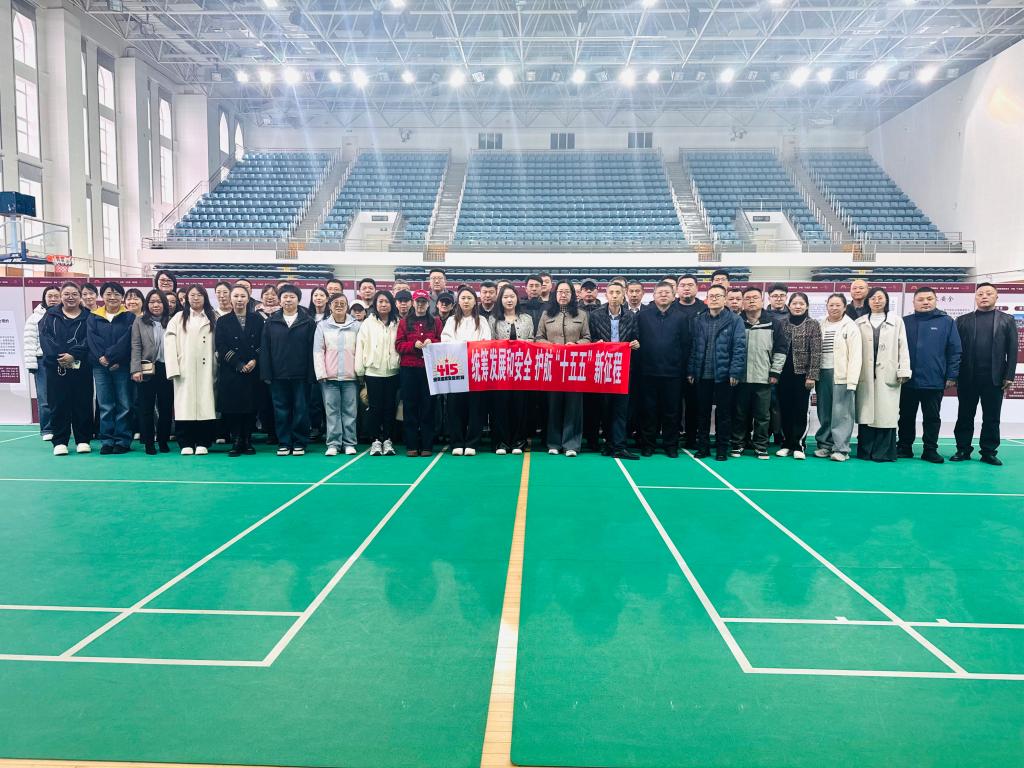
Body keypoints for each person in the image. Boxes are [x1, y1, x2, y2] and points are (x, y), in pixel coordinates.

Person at [951, 282, 1019, 465]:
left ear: (996, 297)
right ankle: (963, 449)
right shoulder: (962, 320)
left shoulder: (1007, 320)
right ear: (975, 297)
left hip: (995, 378)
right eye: (980, 294)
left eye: (989, 293)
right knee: (964, 415)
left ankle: (988, 452)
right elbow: (955, 349)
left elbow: (1013, 350)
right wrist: (954, 374)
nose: (984, 297)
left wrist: (1009, 375)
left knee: (992, 417)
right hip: (967, 376)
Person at [898, 287, 962, 463]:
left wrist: (952, 376)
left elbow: (955, 350)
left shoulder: (946, 322)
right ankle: (904, 447)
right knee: (905, 416)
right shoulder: (904, 322)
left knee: (932, 418)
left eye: (929, 299)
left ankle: (930, 450)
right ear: (913, 302)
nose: (925, 302)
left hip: (934, 380)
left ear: (935, 300)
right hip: (907, 380)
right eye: (921, 299)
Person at [688, 285, 746, 460]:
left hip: (724, 375)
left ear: (725, 299)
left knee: (724, 414)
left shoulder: (735, 320)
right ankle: (703, 447)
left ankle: (722, 449)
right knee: (702, 413)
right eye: (711, 296)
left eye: (718, 296)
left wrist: (735, 372)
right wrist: (691, 370)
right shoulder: (699, 320)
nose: (714, 299)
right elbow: (693, 347)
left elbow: (739, 348)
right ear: (707, 299)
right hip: (702, 374)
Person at [855, 287, 911, 462]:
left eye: (880, 298)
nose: (877, 301)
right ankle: (866, 451)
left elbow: (903, 347)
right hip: (865, 374)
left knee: (886, 414)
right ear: (868, 301)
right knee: (866, 413)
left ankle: (883, 453)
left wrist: (903, 370)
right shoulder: (859, 322)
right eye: (873, 298)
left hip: (888, 374)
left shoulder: (896, 321)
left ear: (886, 300)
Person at [731, 287, 787, 460]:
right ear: (742, 302)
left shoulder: (773, 323)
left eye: (755, 297)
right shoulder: (736, 322)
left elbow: (781, 349)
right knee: (739, 414)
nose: (751, 301)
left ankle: (761, 446)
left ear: (762, 301)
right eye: (747, 298)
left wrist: (775, 372)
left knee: (763, 416)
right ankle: (738, 444)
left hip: (764, 378)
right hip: (740, 378)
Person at [535, 281, 590, 457]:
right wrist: (551, 346)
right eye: (560, 291)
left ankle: (571, 444)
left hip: (575, 367)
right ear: (555, 294)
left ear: (573, 295)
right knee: (553, 405)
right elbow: (538, 337)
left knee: (574, 406)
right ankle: (553, 443)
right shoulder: (546, 314)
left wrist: (576, 344)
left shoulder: (582, 314)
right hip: (553, 367)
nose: (563, 295)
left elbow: (587, 338)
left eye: (567, 292)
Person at [260, 285, 315, 456]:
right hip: (278, 375)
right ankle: (284, 442)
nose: (288, 300)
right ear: (280, 300)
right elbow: (265, 349)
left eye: (292, 297)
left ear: (298, 300)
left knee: (301, 409)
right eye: (285, 297)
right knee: (281, 410)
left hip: (301, 374)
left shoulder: (308, 322)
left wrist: (311, 374)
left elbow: (313, 350)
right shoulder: (271, 322)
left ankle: (299, 442)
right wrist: (266, 373)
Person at [636, 281, 689, 458]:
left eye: (667, 292)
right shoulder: (643, 316)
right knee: (648, 411)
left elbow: (686, 345)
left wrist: (682, 369)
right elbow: (637, 341)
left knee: (672, 412)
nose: (664, 295)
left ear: (674, 296)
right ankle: (648, 444)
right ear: (654, 296)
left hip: (673, 374)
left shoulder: (681, 317)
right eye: (660, 292)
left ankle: (670, 445)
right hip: (647, 373)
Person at [39, 283, 92, 455]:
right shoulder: (50, 315)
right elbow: (45, 338)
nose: (71, 297)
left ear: (80, 296)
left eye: (74, 294)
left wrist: (73, 355)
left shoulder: (88, 316)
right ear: (61, 296)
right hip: (56, 368)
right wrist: (61, 356)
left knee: (82, 404)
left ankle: (83, 440)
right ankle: (60, 442)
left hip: (81, 368)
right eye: (67, 294)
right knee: (58, 405)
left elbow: (89, 339)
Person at [164, 285, 218, 455]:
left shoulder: (212, 317)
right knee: (184, 406)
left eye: (199, 295)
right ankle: (185, 442)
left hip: (207, 369)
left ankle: (203, 442)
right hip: (184, 369)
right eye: (192, 295)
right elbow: (169, 344)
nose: (196, 298)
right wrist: (173, 368)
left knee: (205, 405)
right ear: (186, 298)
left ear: (205, 297)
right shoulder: (178, 318)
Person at [589, 281, 639, 460]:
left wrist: (636, 343)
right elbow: (590, 338)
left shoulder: (631, 316)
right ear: (606, 295)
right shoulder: (595, 315)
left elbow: (636, 337)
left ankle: (620, 446)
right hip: (603, 367)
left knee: (621, 409)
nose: (615, 295)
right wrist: (596, 343)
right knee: (605, 408)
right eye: (611, 292)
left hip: (623, 368)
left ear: (623, 294)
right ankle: (609, 443)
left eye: (618, 292)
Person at [86, 282, 135, 455]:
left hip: (121, 365)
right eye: (108, 294)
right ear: (102, 296)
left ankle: (122, 440)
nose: (112, 297)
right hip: (100, 366)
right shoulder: (94, 316)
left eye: (116, 294)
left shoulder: (129, 316)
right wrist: (102, 357)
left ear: (122, 297)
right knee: (105, 404)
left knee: (124, 404)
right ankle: (106, 440)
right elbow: (92, 340)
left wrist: (113, 358)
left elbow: (127, 341)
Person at [216, 285, 265, 457]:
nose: (239, 299)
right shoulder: (222, 321)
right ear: (230, 298)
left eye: (242, 296)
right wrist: (238, 363)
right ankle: (236, 440)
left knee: (251, 407)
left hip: (253, 369)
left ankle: (248, 440)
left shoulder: (257, 319)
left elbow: (262, 343)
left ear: (248, 298)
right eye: (235, 296)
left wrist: (254, 360)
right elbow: (220, 345)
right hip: (232, 370)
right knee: (233, 407)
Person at [442, 287, 491, 455]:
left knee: (476, 407)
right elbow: (445, 340)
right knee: (455, 406)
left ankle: (472, 442)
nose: (466, 301)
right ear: (458, 301)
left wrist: (470, 347)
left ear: (475, 301)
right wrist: (461, 346)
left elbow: (486, 341)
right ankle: (457, 442)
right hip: (456, 369)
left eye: (469, 298)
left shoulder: (482, 320)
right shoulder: (451, 321)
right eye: (463, 298)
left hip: (475, 369)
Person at [814, 294, 861, 462]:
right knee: (824, 410)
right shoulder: (820, 324)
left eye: (838, 305)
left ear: (844, 307)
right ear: (826, 306)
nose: (834, 308)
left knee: (842, 412)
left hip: (842, 374)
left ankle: (841, 449)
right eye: (831, 305)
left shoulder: (851, 326)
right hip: (822, 372)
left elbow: (856, 356)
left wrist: (852, 380)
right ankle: (826, 445)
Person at [488, 285, 535, 455]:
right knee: (500, 405)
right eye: (505, 297)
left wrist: (523, 345)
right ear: (500, 300)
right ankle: (501, 442)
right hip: (501, 369)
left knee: (520, 405)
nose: (509, 300)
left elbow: (532, 339)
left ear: (517, 298)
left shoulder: (527, 318)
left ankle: (518, 441)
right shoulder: (493, 319)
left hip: (522, 369)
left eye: (512, 296)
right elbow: (490, 342)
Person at [775, 293, 821, 459]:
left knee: (800, 410)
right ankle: (786, 443)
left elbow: (816, 352)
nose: (798, 306)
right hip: (783, 374)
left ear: (807, 306)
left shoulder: (813, 324)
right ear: (789, 305)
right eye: (794, 303)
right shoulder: (781, 323)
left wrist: (812, 375)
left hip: (803, 375)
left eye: (801, 303)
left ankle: (798, 445)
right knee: (784, 409)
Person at [315, 293, 362, 456]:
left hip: (351, 377)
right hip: (329, 377)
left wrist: (360, 373)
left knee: (350, 411)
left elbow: (361, 350)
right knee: (331, 411)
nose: (339, 305)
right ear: (330, 306)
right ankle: (333, 444)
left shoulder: (356, 326)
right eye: (336, 303)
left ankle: (349, 443)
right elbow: (318, 351)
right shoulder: (322, 326)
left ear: (347, 306)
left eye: (343, 303)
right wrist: (321, 373)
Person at [396, 290, 442, 456]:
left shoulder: (436, 322)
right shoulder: (404, 322)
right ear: (413, 303)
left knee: (428, 407)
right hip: (409, 369)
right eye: (418, 301)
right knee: (410, 407)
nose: (420, 305)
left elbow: (442, 342)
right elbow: (398, 345)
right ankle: (412, 445)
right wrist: (412, 345)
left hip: (429, 370)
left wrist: (433, 342)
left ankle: (427, 445)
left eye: (423, 302)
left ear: (428, 304)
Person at [355, 290, 401, 456]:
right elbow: (360, 346)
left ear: (392, 304)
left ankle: (387, 439)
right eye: (380, 301)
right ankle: (375, 440)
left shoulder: (398, 323)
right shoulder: (367, 323)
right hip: (373, 372)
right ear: (375, 304)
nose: (383, 304)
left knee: (389, 407)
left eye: (386, 301)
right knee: (374, 407)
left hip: (393, 371)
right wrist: (360, 370)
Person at [131, 290, 173, 454]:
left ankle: (163, 441)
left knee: (166, 407)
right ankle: (149, 443)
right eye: (152, 302)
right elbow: (135, 346)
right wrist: (136, 369)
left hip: (167, 368)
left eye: (159, 302)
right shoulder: (140, 321)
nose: (156, 305)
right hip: (147, 368)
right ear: (147, 304)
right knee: (146, 408)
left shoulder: (172, 320)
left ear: (165, 304)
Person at [24, 285, 61, 440]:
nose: (53, 299)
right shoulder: (34, 318)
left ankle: (62, 427)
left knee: (63, 397)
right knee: (44, 397)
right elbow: (29, 342)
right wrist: (31, 365)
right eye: (50, 296)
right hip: (42, 361)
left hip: (62, 360)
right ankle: (47, 429)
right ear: (44, 298)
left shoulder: (65, 315)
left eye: (56, 296)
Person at [675, 274, 705, 450]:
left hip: (697, 364)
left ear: (697, 288)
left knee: (694, 404)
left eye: (690, 285)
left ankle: (692, 437)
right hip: (674, 364)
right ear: (677, 289)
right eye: (683, 285)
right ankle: (673, 435)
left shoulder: (704, 309)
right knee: (673, 404)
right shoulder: (670, 308)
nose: (686, 288)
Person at [306, 286, 331, 441]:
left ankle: (329, 427)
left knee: (329, 398)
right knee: (313, 397)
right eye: (315, 295)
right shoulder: (306, 316)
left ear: (327, 299)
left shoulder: (332, 317)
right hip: (310, 362)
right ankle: (315, 426)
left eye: (322, 295)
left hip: (329, 361)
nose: (318, 298)